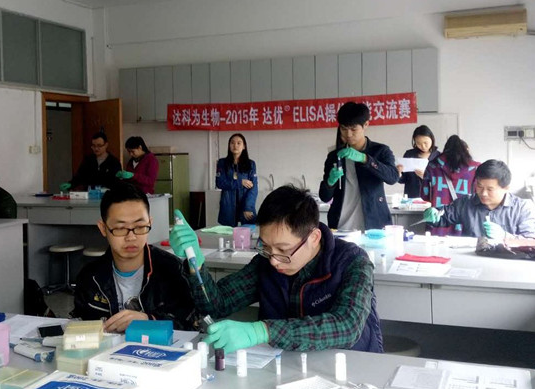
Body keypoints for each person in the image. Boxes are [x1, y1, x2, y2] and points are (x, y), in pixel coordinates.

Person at [169, 185, 383, 353]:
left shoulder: (352, 261)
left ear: (314, 238)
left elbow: (347, 326)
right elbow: (217, 304)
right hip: (285, 367)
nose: (273, 260)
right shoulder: (265, 263)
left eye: (283, 249)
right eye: (266, 246)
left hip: (351, 366)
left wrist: (262, 331)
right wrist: (194, 261)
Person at [72, 183, 198, 332]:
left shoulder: (172, 270)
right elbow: (81, 327)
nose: (131, 237)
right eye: (120, 228)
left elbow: (189, 326)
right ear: (103, 228)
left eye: (139, 227)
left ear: (149, 223)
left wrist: (148, 321)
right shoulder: (90, 277)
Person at [318, 102, 398, 231]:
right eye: (344, 129)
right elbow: (324, 196)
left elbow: (393, 177)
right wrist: (330, 182)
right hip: (341, 226)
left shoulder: (380, 151)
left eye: (353, 129)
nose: (348, 134)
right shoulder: (335, 156)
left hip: (374, 225)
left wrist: (365, 159)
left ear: (366, 124)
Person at [422, 159, 535, 239]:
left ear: (506, 188)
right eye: (479, 186)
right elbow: (442, 216)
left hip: (508, 263)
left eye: (490, 189)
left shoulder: (522, 208)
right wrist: (432, 214)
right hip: (471, 261)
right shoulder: (466, 203)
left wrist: (505, 237)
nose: (483, 193)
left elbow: (530, 242)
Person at [420, 135, 480, 236]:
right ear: (466, 150)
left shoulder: (432, 166)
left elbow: (424, 194)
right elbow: (478, 196)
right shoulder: (475, 168)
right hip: (465, 223)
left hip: (438, 221)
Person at [215, 133, 258, 226]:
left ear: (244, 146)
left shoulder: (251, 164)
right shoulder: (222, 163)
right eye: (232, 143)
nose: (235, 145)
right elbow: (219, 183)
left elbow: (254, 188)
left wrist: (248, 207)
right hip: (228, 206)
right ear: (229, 146)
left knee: (248, 232)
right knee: (228, 234)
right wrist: (239, 182)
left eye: (239, 143)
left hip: (245, 205)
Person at [396, 125, 440, 200]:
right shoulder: (409, 154)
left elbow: (442, 182)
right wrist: (398, 173)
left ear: (432, 139)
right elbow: (403, 179)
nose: (423, 146)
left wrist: (426, 177)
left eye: (425, 143)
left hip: (432, 197)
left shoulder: (438, 156)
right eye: (418, 143)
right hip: (412, 197)